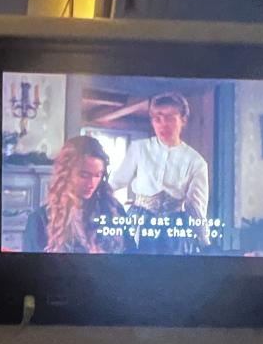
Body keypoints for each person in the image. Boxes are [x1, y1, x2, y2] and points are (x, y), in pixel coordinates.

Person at [108, 92, 210, 253]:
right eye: (157, 118)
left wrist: (204, 243)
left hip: (173, 231)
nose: (163, 124)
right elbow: (114, 183)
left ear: (183, 120)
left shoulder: (196, 162)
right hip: (138, 224)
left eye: (170, 117)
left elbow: (196, 207)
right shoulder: (139, 149)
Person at [23, 135, 134, 254]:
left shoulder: (115, 210)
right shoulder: (40, 220)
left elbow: (133, 257)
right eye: (84, 175)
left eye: (98, 175)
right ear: (66, 173)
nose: (92, 183)